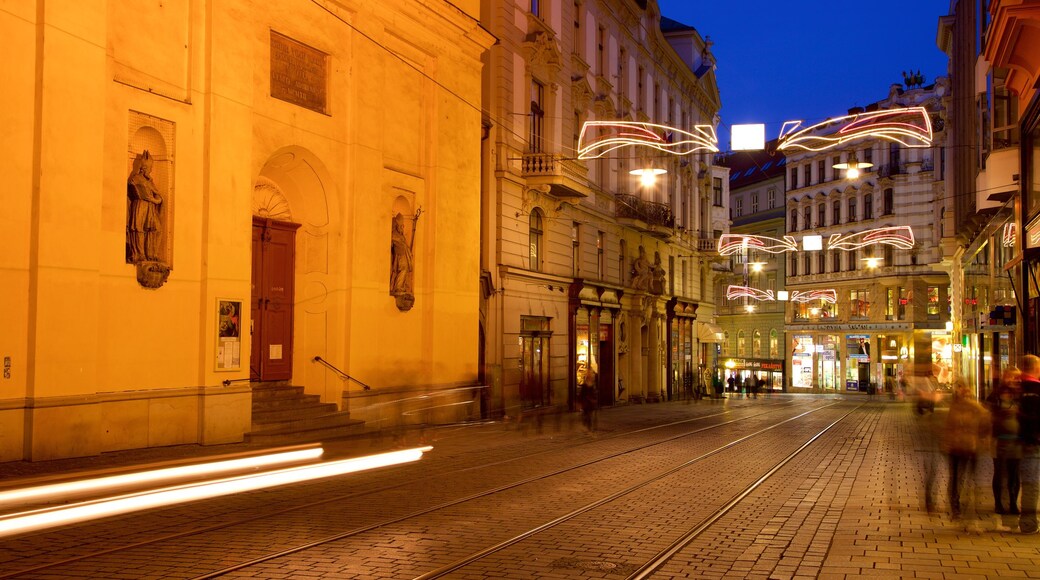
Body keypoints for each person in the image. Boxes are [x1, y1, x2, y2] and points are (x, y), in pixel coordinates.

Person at [944, 377, 992, 532]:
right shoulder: (955, 406)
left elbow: (985, 421)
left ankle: (965, 510)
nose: (960, 390)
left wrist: (982, 438)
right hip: (956, 447)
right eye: (957, 387)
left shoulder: (973, 406)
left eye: (962, 387)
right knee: (956, 478)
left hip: (970, 447)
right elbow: (948, 425)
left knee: (968, 480)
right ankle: (956, 508)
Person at [986, 367, 1021, 530]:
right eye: (1011, 377)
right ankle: (998, 503)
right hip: (998, 439)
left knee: (1014, 473)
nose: (1013, 380)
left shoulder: (1020, 395)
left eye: (1016, 378)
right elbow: (988, 415)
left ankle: (1013, 501)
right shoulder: (995, 394)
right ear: (1005, 377)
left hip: (1016, 440)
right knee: (999, 472)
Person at [127, 150, 164, 263]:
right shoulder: (135, 179)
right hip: (140, 206)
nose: (151, 170)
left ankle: (151, 253)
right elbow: (134, 191)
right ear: (143, 168)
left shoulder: (150, 182)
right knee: (139, 229)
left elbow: (159, 196)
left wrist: (155, 200)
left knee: (156, 229)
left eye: (151, 168)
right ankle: (140, 253)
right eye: (149, 168)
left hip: (150, 207)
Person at [1019, 354, 1040, 534]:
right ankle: (1029, 523)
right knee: (1032, 483)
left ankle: (1025, 521)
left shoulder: (1012, 387)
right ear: (1035, 368)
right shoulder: (1037, 389)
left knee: (1027, 482)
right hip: (1033, 442)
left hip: (1013, 442)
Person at [390, 212, 413, 295]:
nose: (403, 227)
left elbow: (404, 244)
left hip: (404, 254)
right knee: (403, 269)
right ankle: (398, 287)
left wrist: (409, 253)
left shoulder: (401, 235)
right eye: (401, 225)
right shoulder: (395, 234)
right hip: (400, 255)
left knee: (404, 269)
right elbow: (394, 241)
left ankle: (401, 286)